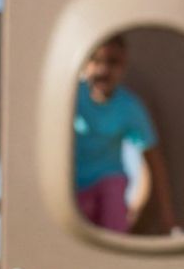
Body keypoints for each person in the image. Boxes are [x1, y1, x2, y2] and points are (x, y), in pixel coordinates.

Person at [74, 35, 178, 234]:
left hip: (108, 180)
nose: (103, 70)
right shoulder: (74, 96)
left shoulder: (129, 108)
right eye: (96, 61)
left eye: (112, 62)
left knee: (113, 203)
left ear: (123, 67)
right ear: (85, 64)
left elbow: (153, 162)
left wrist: (167, 219)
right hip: (75, 186)